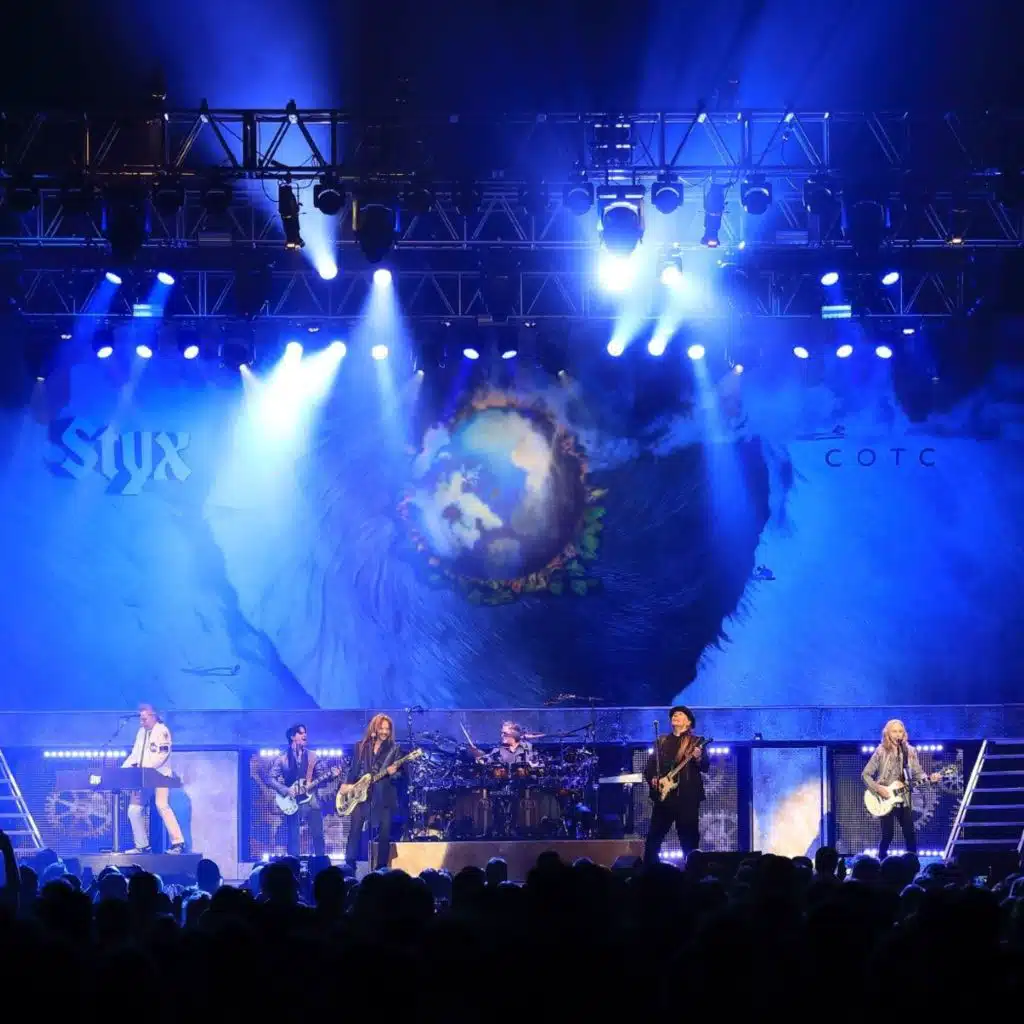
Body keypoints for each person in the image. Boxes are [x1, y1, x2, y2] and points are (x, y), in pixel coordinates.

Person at [862, 719, 941, 859]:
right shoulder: (880, 751)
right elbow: (865, 774)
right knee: (887, 835)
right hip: (885, 797)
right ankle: (881, 861)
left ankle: (913, 862)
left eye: (900, 731)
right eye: (894, 731)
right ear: (887, 733)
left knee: (910, 834)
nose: (898, 734)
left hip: (904, 798)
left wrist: (930, 779)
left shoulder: (910, 751)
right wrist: (878, 788)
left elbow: (918, 773)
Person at [643, 705, 710, 866]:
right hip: (664, 799)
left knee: (689, 842)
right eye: (674, 714)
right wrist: (653, 779)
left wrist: (698, 757)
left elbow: (705, 767)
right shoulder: (661, 741)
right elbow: (649, 768)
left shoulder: (696, 741)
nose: (675, 716)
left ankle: (692, 873)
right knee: (653, 840)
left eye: (680, 714)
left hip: (687, 799)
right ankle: (650, 872)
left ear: (688, 722)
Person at [341, 714, 403, 871]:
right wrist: (347, 785)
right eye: (381, 728)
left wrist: (393, 773)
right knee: (355, 829)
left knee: (384, 834)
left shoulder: (394, 749)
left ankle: (381, 868)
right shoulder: (361, 746)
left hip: (383, 796)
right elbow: (354, 769)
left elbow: (400, 776)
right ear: (374, 728)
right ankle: (349, 865)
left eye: (387, 729)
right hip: (361, 794)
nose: (384, 732)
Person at [122, 704, 185, 854]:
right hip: (143, 777)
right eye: (140, 719)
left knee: (161, 805)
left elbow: (162, 756)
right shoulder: (141, 732)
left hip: (159, 776)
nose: (141, 722)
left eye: (144, 719)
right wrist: (123, 769)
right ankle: (142, 845)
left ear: (153, 716)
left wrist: (146, 769)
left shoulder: (162, 731)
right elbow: (135, 754)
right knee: (134, 810)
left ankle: (178, 843)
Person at [268, 724, 338, 859]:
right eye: (300, 733)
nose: (304, 735)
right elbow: (270, 778)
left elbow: (321, 777)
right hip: (292, 802)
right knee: (293, 839)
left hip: (311, 801)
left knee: (318, 836)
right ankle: (293, 866)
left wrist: (331, 775)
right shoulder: (282, 758)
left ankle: (320, 865)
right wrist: (286, 790)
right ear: (292, 736)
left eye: (305, 732)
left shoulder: (313, 756)